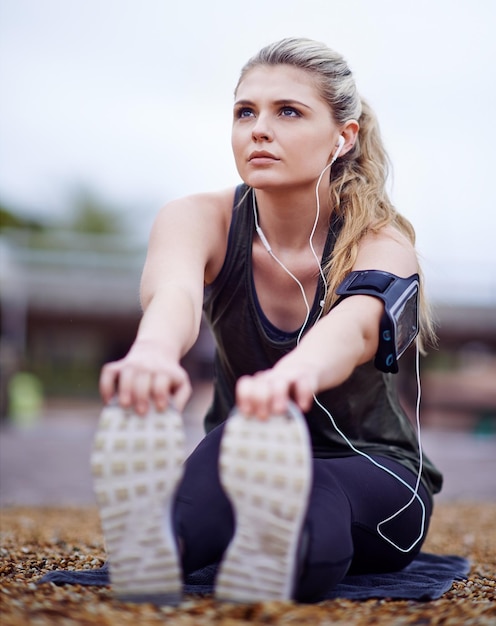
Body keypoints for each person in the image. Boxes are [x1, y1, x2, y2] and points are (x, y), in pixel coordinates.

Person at [91, 37, 443, 605]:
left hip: (365, 465)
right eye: (244, 112)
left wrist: (292, 375)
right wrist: (153, 352)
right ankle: (169, 544)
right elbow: (173, 295)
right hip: (242, 444)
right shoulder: (195, 218)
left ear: (342, 137)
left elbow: (354, 326)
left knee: (312, 515)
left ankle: (276, 551)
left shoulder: (383, 239)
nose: (258, 129)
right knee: (183, 520)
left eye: (288, 112)